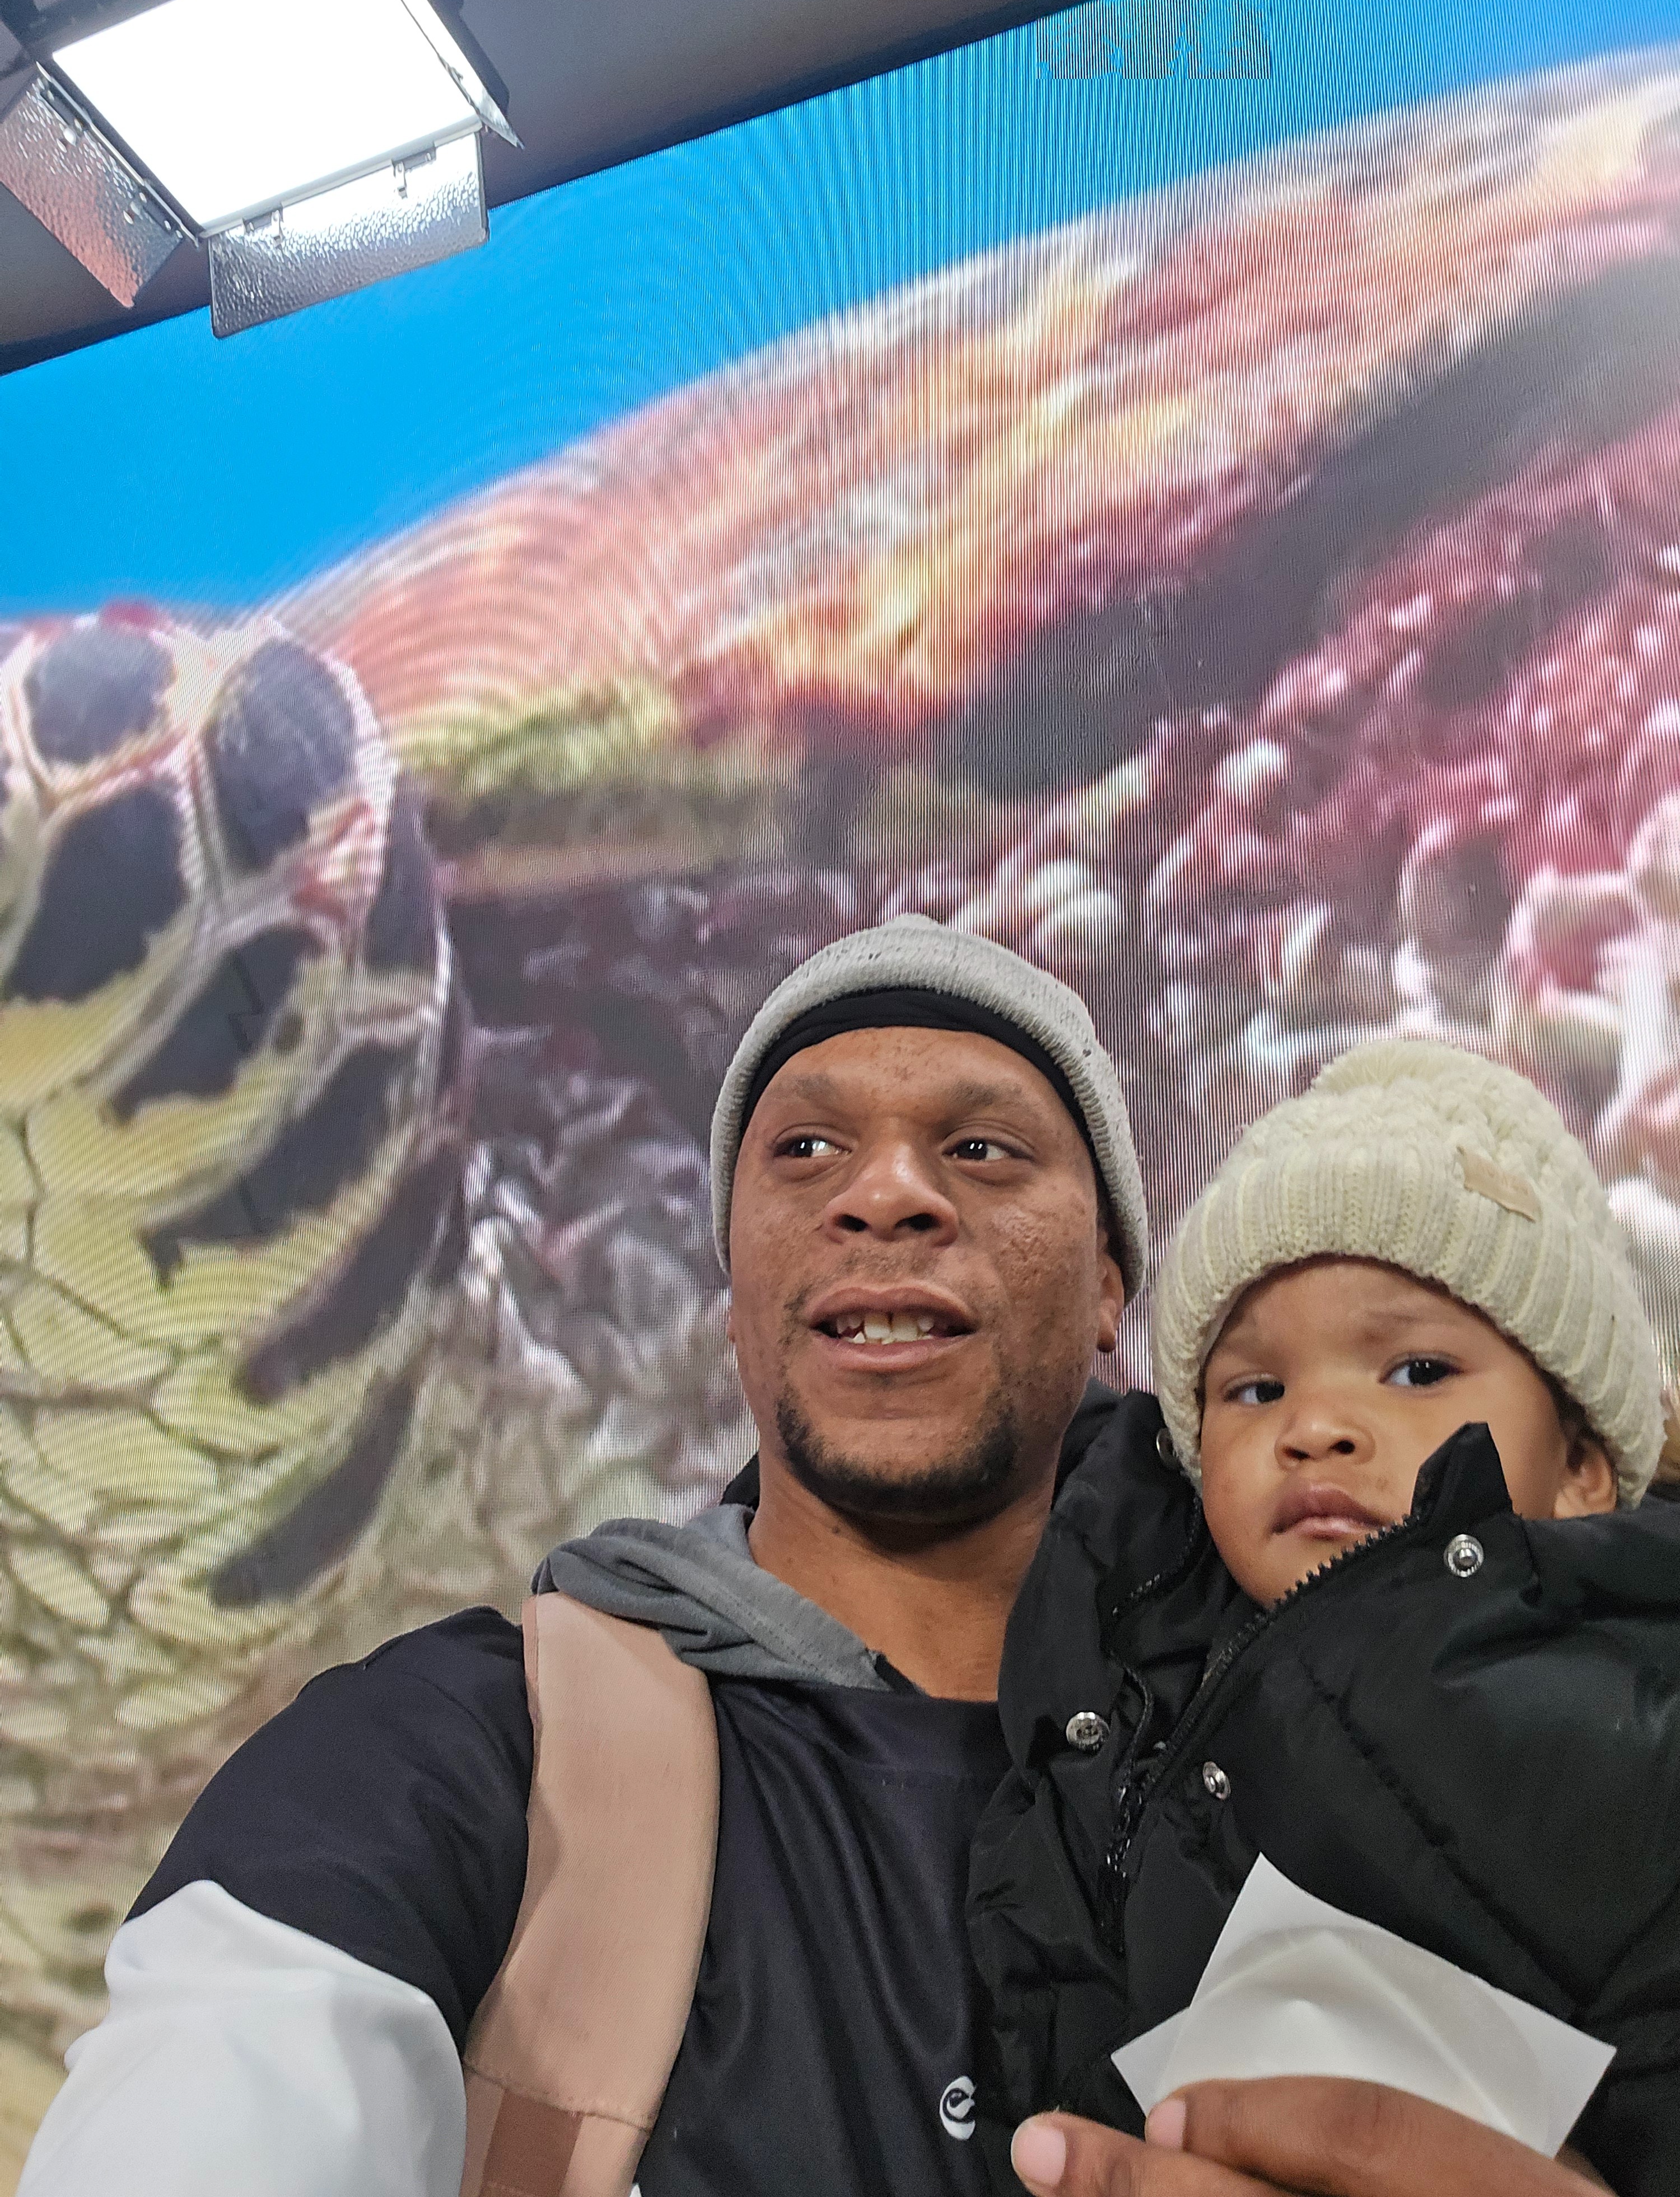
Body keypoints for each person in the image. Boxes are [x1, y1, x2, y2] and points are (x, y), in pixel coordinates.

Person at [19, 923, 1620, 2197]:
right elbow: (226, 2085)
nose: (888, 1193)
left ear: (1111, 1286)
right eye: (802, 1152)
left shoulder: (1417, 1739)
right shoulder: (453, 1758)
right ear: (733, 1294)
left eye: (981, 1149)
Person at [970, 1038, 1680, 2195]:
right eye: (1256, 1389)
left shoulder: (1638, 1704)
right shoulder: (1108, 1675)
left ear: (1585, 1467)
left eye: (1417, 1371)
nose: (1315, 1426)